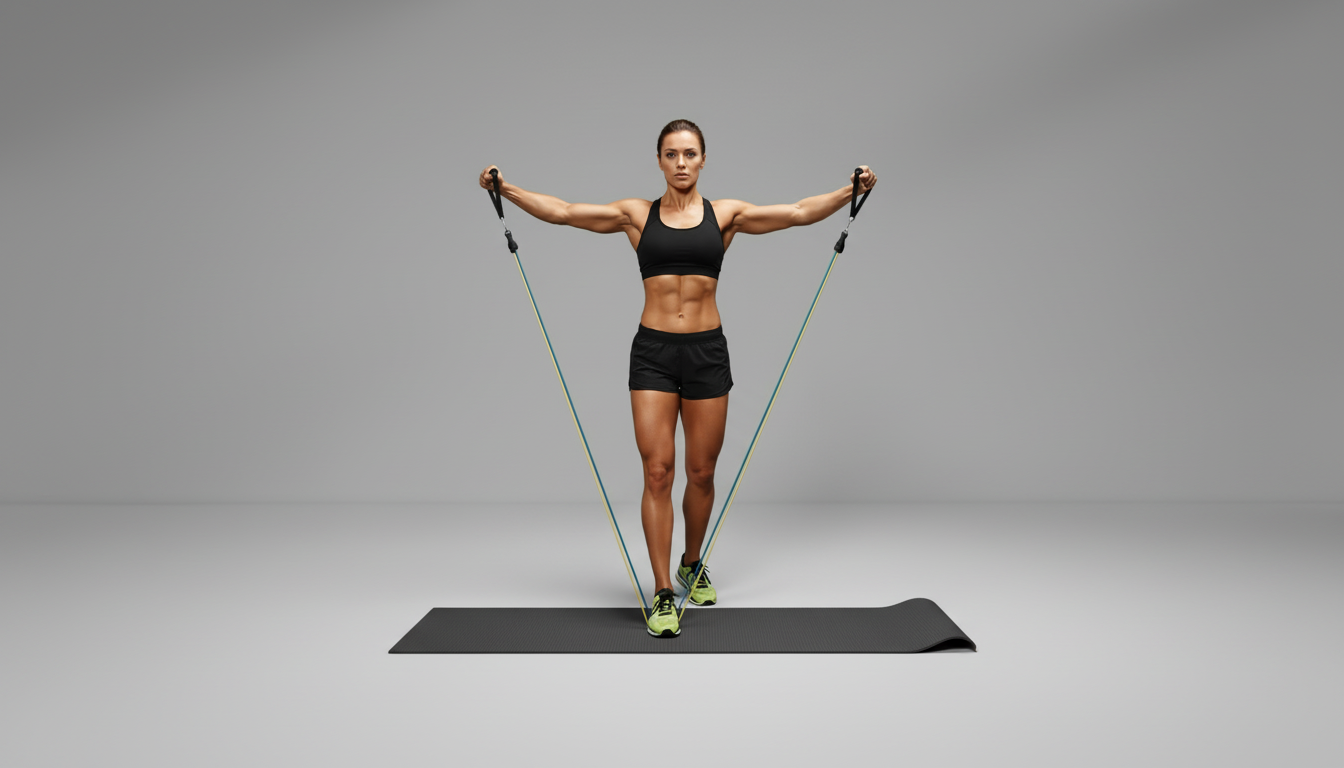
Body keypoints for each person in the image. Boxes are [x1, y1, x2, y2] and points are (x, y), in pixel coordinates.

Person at [479, 119, 876, 638]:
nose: (682, 163)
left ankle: (692, 561)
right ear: (660, 161)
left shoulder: (726, 216)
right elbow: (565, 212)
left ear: (703, 159)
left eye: (690, 153)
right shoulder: (636, 215)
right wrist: (504, 187)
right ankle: (663, 591)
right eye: (672, 154)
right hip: (654, 353)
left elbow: (798, 213)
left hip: (708, 352)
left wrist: (852, 189)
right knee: (658, 472)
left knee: (702, 472)